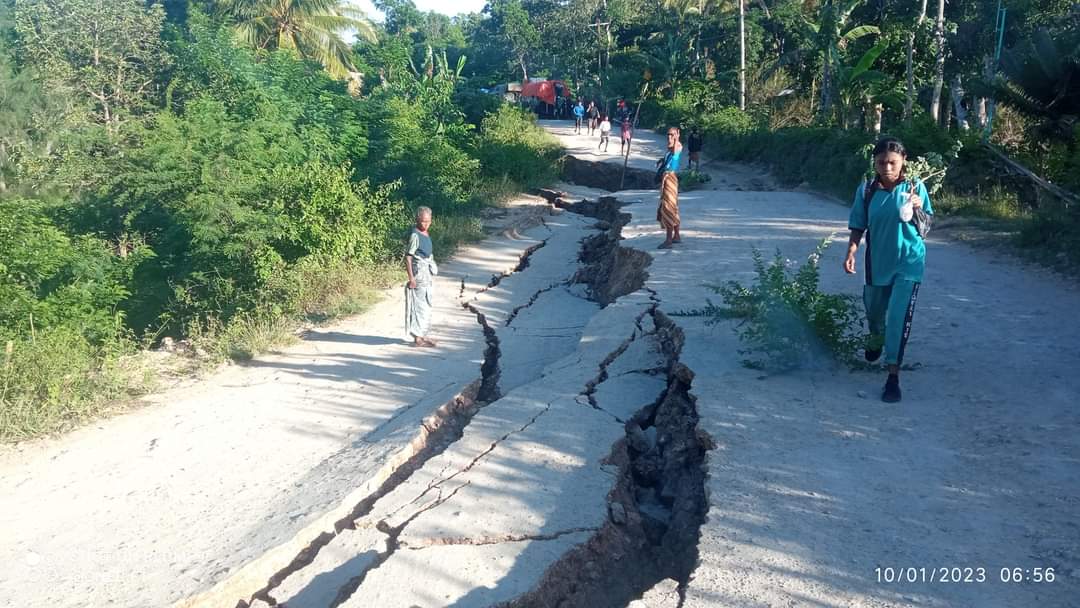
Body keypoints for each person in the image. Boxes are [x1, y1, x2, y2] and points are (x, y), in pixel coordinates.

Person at [844, 137, 933, 403]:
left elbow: (927, 227)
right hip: (878, 262)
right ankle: (875, 337)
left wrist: (918, 208)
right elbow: (858, 223)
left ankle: (892, 376)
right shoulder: (866, 190)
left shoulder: (915, 188)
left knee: (897, 316)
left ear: (903, 161)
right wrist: (851, 250)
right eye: (881, 162)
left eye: (892, 162)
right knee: (874, 311)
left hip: (909, 261)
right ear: (874, 162)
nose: (887, 167)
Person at [405, 206, 439, 347]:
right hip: (419, 274)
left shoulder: (425, 233)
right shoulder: (415, 235)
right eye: (423, 221)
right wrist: (412, 278)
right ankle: (417, 338)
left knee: (426, 304)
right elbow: (408, 257)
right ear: (417, 220)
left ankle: (422, 334)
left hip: (427, 273)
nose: (426, 224)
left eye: (428, 221)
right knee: (419, 305)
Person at [656, 127, 683, 249]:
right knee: (672, 206)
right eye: (668, 134)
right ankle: (676, 235)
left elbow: (675, 151)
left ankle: (668, 240)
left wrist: (676, 138)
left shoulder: (677, 145)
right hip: (667, 176)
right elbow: (670, 158)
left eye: (672, 134)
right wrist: (662, 160)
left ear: (677, 135)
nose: (669, 137)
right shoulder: (670, 147)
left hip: (670, 178)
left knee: (668, 207)